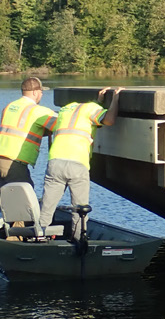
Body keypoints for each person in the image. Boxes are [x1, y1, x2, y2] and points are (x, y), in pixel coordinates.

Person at [37, 87, 124, 241]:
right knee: (79, 209)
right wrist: (115, 98)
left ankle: (39, 239)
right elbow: (109, 120)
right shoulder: (92, 109)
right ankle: (79, 243)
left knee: (47, 207)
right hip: (77, 163)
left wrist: (98, 101)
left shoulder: (66, 109)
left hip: (55, 162)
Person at [0, 77, 57, 194]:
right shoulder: (39, 111)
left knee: (6, 201)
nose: (41, 95)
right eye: (41, 92)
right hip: (13, 163)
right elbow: (63, 125)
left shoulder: (9, 107)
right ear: (35, 92)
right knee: (24, 198)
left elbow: (21, 129)